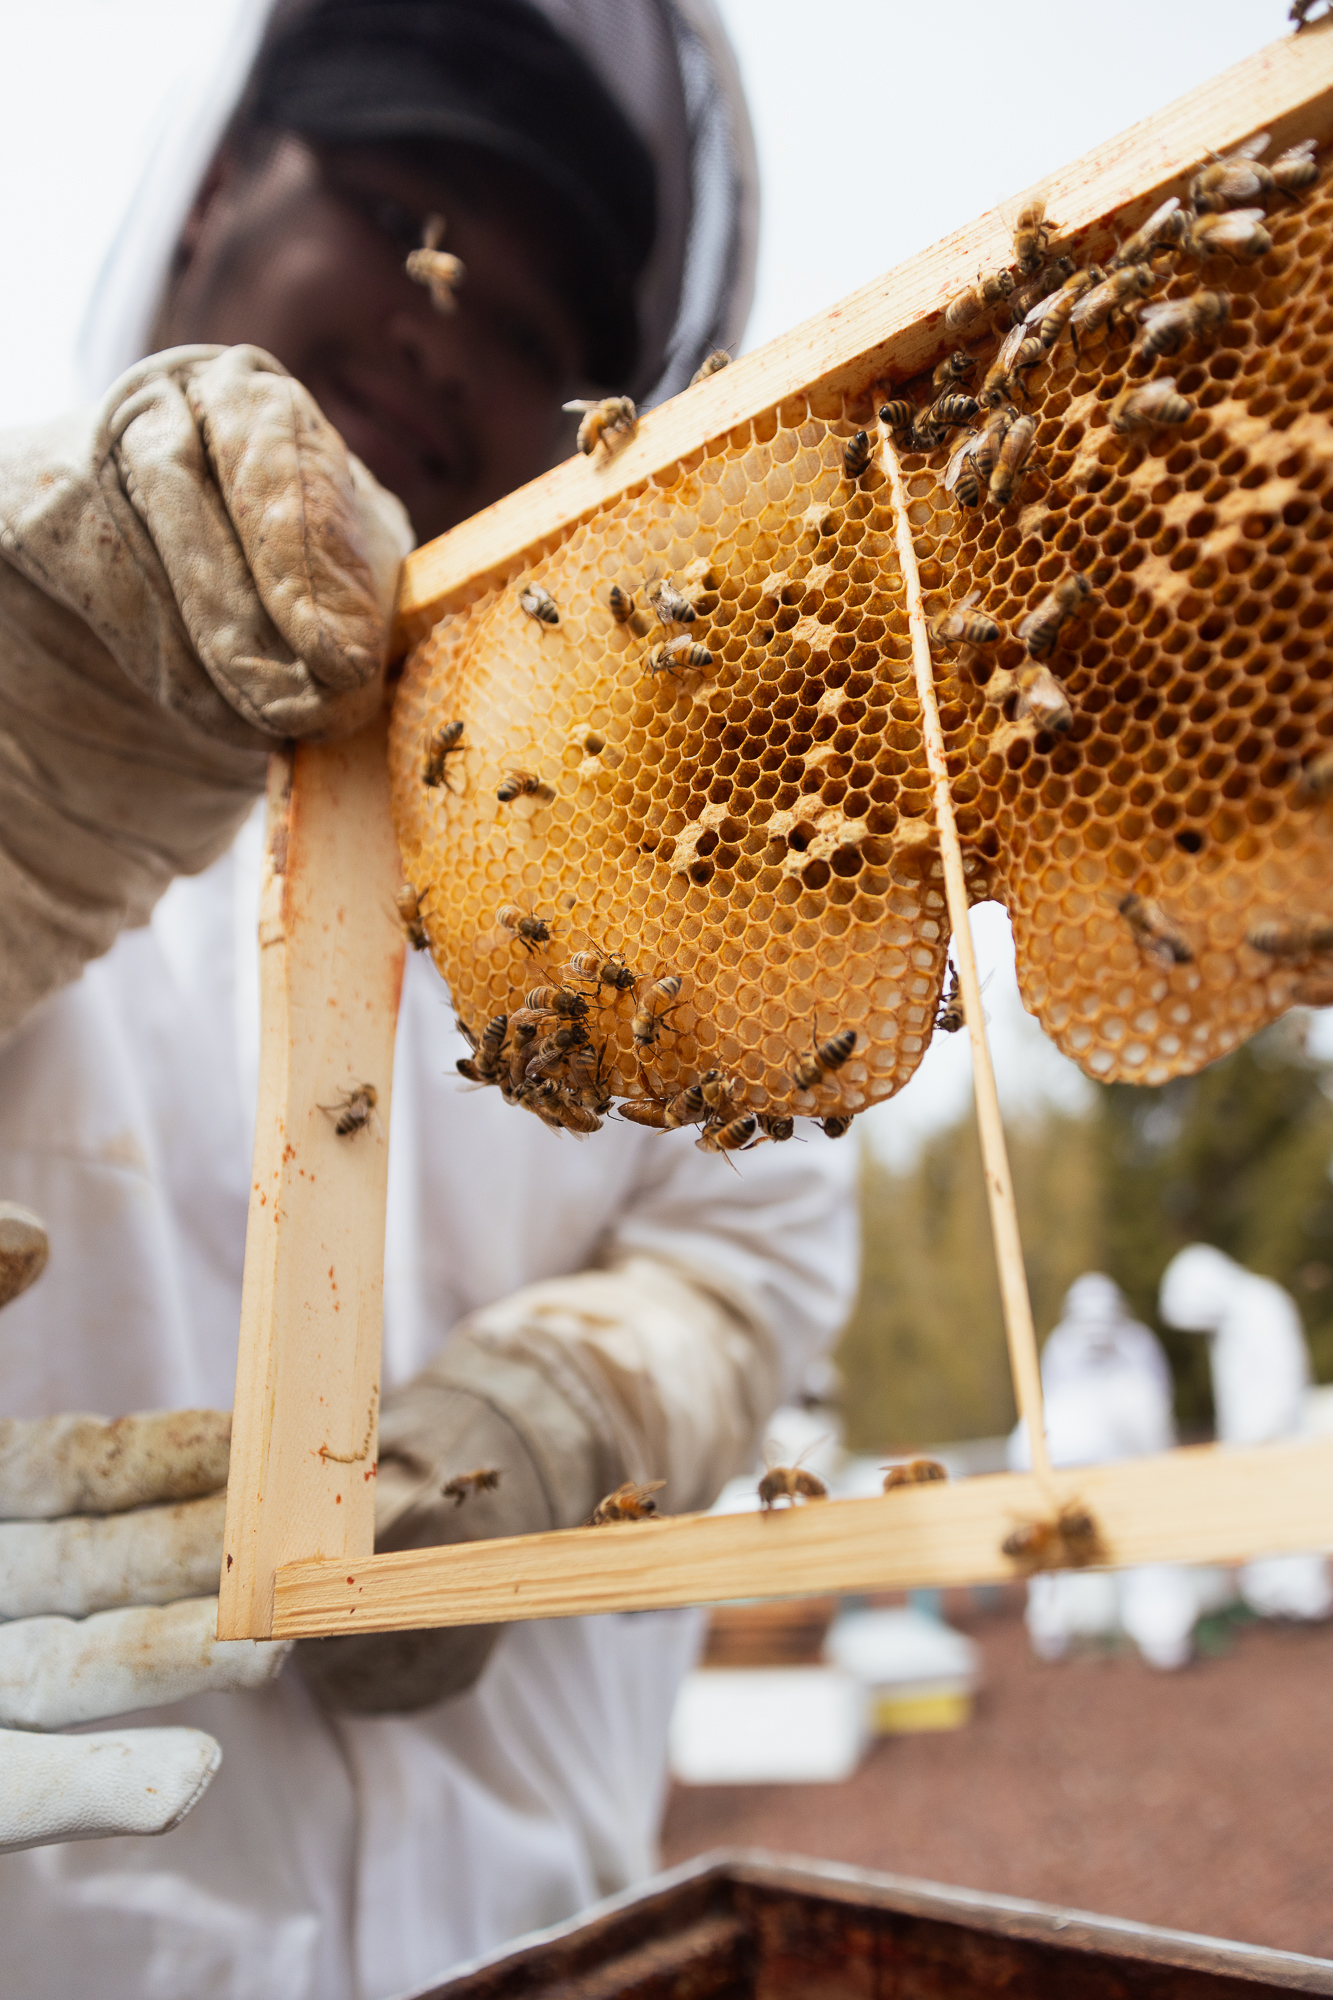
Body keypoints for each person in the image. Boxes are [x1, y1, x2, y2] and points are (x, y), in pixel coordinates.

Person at [0, 4, 856, 1995]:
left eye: (535, 339)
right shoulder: (25, 601)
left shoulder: (668, 854)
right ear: (219, 194)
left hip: (540, 1932)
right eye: (395, 211)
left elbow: (754, 1227)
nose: (437, 333)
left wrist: (573, 1397)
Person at [1008, 1273, 1202, 1670]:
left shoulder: (1136, 1346)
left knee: (1148, 1551)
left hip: (1125, 1473)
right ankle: (1056, 1627)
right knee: (1057, 1550)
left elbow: (1153, 1413)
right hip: (1073, 1475)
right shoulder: (1061, 1348)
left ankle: (1162, 1633)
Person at [1159, 1245, 1332, 1624]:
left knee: (1292, 1526)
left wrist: (1255, 1440)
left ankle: (1304, 1604)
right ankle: (1274, 1602)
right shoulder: (1231, 1321)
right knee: (1263, 1529)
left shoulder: (1263, 1304)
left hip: (1279, 1444)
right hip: (1252, 1452)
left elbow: (1284, 1379)